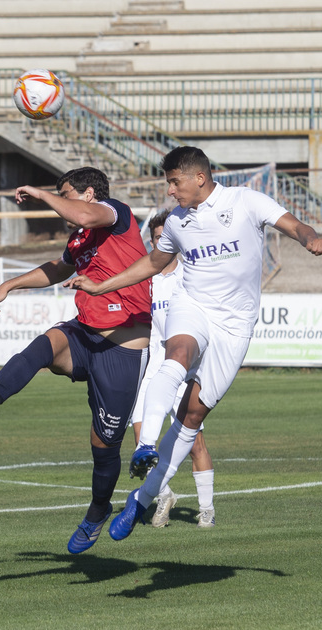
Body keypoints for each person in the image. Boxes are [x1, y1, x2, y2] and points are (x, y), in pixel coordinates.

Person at [65, 146, 322, 541]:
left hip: (236, 325)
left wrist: (311, 237)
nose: (170, 191)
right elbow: (153, 264)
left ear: (198, 178)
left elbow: (293, 226)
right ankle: (146, 445)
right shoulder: (176, 221)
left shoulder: (246, 201)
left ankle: (142, 498)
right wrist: (102, 285)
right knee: (178, 352)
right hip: (193, 305)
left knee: (192, 416)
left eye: (174, 182)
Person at [0, 166, 151, 554]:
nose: (61, 201)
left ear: (89, 193)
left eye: (66, 193)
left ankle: (97, 512)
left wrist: (43, 195)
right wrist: (9, 285)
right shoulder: (81, 238)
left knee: (105, 446)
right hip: (85, 332)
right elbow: (58, 267)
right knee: (42, 347)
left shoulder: (115, 213)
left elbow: (79, 213)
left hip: (123, 347)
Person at [131, 210, 215, 529]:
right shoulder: (148, 280)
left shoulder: (189, 276)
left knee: (195, 444)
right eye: (155, 238)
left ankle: (206, 509)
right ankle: (164, 495)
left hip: (184, 368)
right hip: (154, 367)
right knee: (143, 442)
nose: (161, 242)